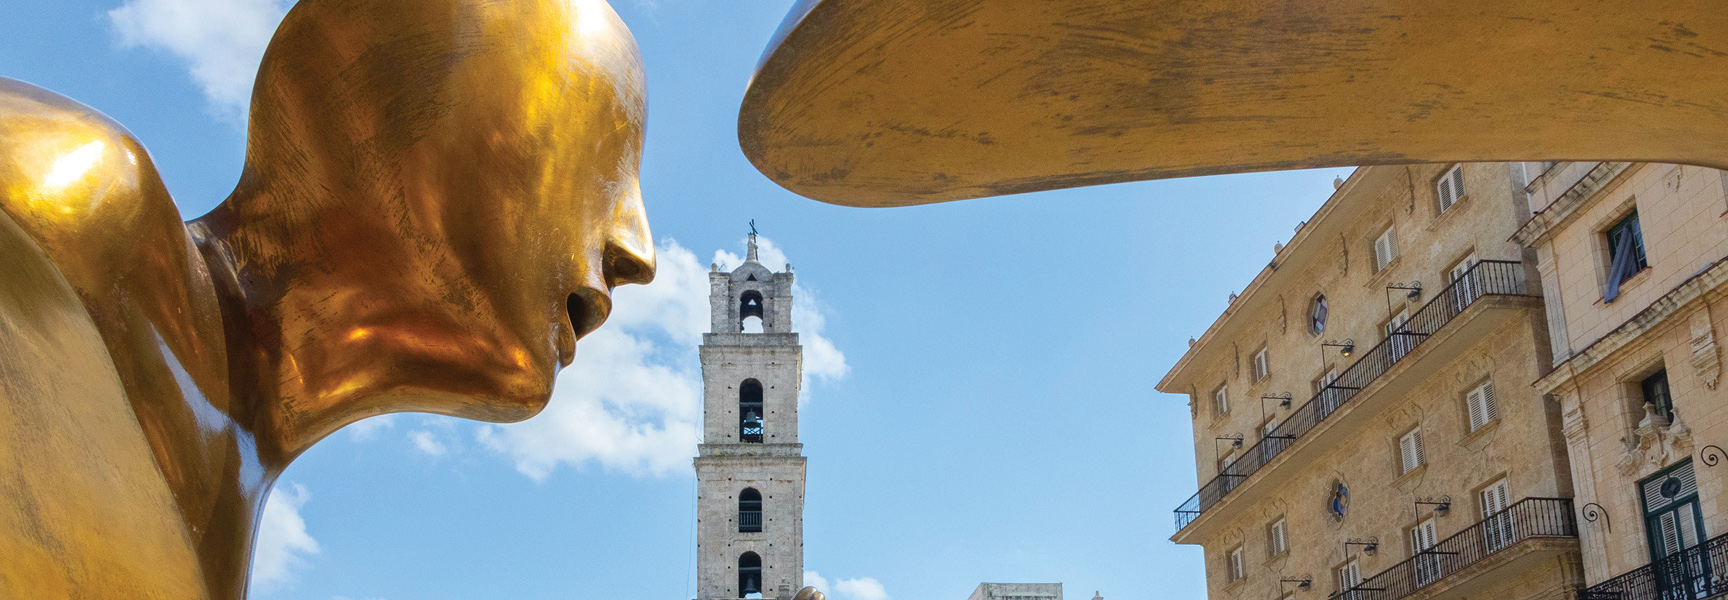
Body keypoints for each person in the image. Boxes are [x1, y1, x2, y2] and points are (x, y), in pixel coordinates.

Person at [0, 0, 654, 597]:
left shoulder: (227, 499)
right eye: (600, 159)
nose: (639, 253)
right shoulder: (70, 203)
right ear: (428, 103)